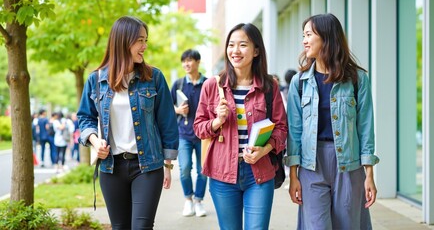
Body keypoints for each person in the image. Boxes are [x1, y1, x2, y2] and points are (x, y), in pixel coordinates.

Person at [77, 16, 179, 229]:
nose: (145, 46)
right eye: (140, 40)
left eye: (146, 40)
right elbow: (84, 117)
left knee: (141, 227)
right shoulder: (96, 80)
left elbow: (167, 123)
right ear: (124, 41)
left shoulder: (155, 78)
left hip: (147, 167)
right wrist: (95, 142)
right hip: (111, 168)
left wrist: (168, 165)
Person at [285, 13, 380, 230]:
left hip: (349, 164)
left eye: (309, 35)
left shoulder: (357, 79)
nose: (304, 40)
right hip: (311, 164)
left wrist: (369, 175)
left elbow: (366, 128)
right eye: (303, 35)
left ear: (326, 38)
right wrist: (293, 175)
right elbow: (294, 132)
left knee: (348, 225)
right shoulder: (299, 83)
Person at [194, 23, 287, 230]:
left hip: (259, 173)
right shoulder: (212, 85)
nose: (235, 51)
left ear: (256, 51)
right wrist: (217, 121)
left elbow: (281, 128)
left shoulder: (269, 87)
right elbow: (199, 128)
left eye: (243, 45)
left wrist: (265, 150)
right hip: (222, 173)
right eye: (231, 45)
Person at [170, 49, 208, 217]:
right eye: (184, 61)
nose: (186, 64)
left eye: (190, 60)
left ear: (198, 62)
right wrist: (178, 110)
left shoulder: (208, 83)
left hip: (204, 134)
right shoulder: (178, 84)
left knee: (203, 169)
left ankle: (198, 200)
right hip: (183, 133)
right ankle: (188, 200)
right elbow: (166, 107)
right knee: (184, 168)